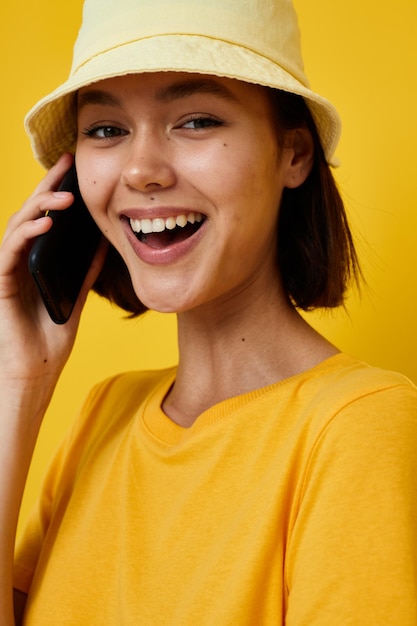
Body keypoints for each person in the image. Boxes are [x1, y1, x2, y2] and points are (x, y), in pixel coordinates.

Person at [1, 0, 416, 623]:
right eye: (107, 130)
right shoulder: (102, 415)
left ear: (294, 154)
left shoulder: (360, 428)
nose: (141, 170)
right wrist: (17, 386)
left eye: (194, 120)